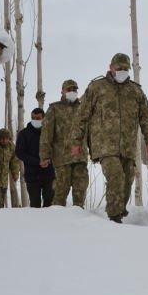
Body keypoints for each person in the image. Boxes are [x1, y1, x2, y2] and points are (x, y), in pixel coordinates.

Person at [69, 53, 148, 223]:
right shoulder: (97, 87)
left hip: (128, 146)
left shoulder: (135, 91)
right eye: (119, 68)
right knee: (115, 176)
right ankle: (114, 218)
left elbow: (146, 117)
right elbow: (81, 116)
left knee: (127, 180)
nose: (122, 71)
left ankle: (119, 210)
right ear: (111, 67)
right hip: (104, 146)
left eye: (125, 68)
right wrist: (75, 141)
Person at [40, 79, 88, 208]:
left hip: (80, 157)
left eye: (74, 90)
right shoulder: (55, 109)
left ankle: (80, 222)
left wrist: (95, 152)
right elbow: (46, 134)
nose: (72, 92)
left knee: (80, 192)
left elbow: (90, 132)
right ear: (62, 91)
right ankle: (58, 223)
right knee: (60, 193)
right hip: (62, 159)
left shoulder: (83, 108)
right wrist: (44, 156)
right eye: (69, 89)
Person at [16, 108, 55, 208]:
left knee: (50, 204)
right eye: (33, 118)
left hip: (49, 174)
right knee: (35, 205)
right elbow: (19, 152)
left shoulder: (50, 133)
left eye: (38, 118)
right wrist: (37, 162)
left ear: (44, 118)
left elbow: (57, 149)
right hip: (32, 175)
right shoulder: (23, 134)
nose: (35, 120)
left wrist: (49, 160)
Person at [0, 128, 19, 208]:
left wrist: (15, 173)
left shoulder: (11, 147)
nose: (4, 140)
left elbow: (14, 161)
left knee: (1, 201)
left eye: (6, 139)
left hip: (4, 181)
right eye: (2, 138)